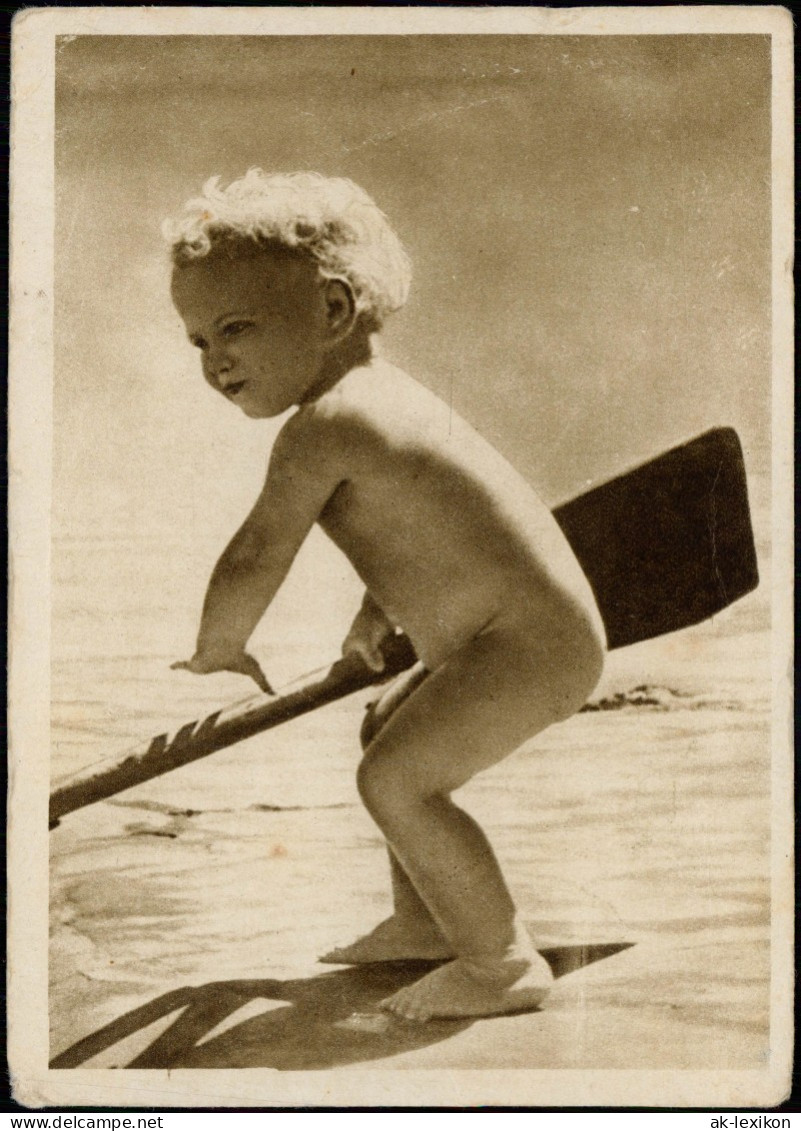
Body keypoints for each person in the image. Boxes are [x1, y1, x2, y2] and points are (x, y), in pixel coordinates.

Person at [166, 169, 605, 1021]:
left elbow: (259, 549)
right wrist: (378, 610)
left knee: (397, 781)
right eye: (198, 341)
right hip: (521, 636)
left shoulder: (328, 423)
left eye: (236, 327)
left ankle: (498, 961)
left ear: (331, 311)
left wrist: (221, 642)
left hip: (523, 647)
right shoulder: (378, 405)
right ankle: (425, 919)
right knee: (388, 732)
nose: (215, 358)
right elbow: (422, 534)